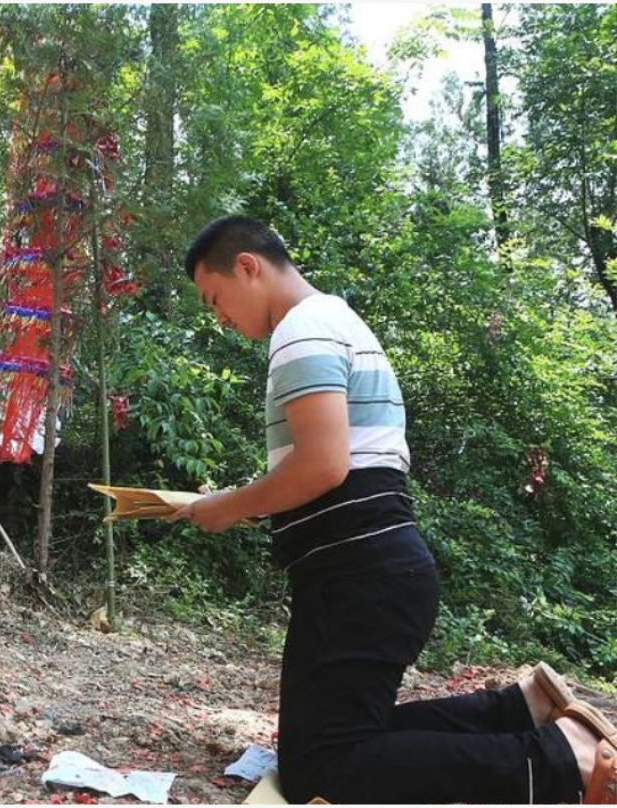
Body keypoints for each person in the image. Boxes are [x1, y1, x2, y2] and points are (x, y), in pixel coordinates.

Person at [170, 214, 617, 803]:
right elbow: (340, 470)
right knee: (338, 744)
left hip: (355, 576)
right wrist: (253, 504)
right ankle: (521, 712)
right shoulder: (333, 319)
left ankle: (562, 758)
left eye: (216, 299)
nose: (221, 319)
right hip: (367, 568)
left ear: (248, 267)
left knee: (323, 767)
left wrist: (226, 506)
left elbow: (324, 465)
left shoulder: (302, 330)